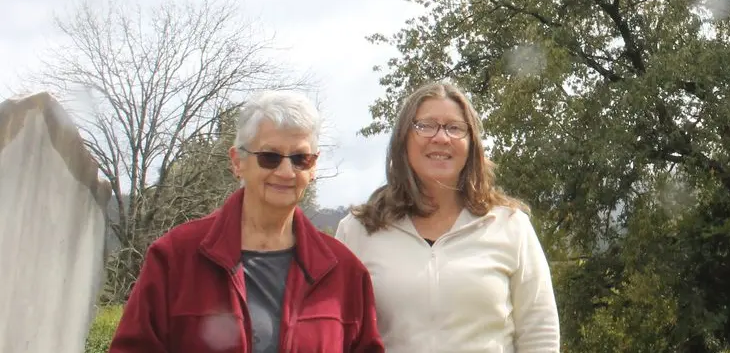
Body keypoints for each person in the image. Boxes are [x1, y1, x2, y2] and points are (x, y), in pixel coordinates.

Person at [109, 91, 384, 353]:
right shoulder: (174, 258)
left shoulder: (344, 273)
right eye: (269, 157)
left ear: (313, 168)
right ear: (237, 161)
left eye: (300, 158)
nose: (286, 172)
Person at [336, 81, 559, 353]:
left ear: (471, 144)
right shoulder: (358, 231)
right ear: (403, 139)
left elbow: (539, 332)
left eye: (455, 128)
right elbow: (339, 333)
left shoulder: (510, 225)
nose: (441, 138)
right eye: (426, 126)